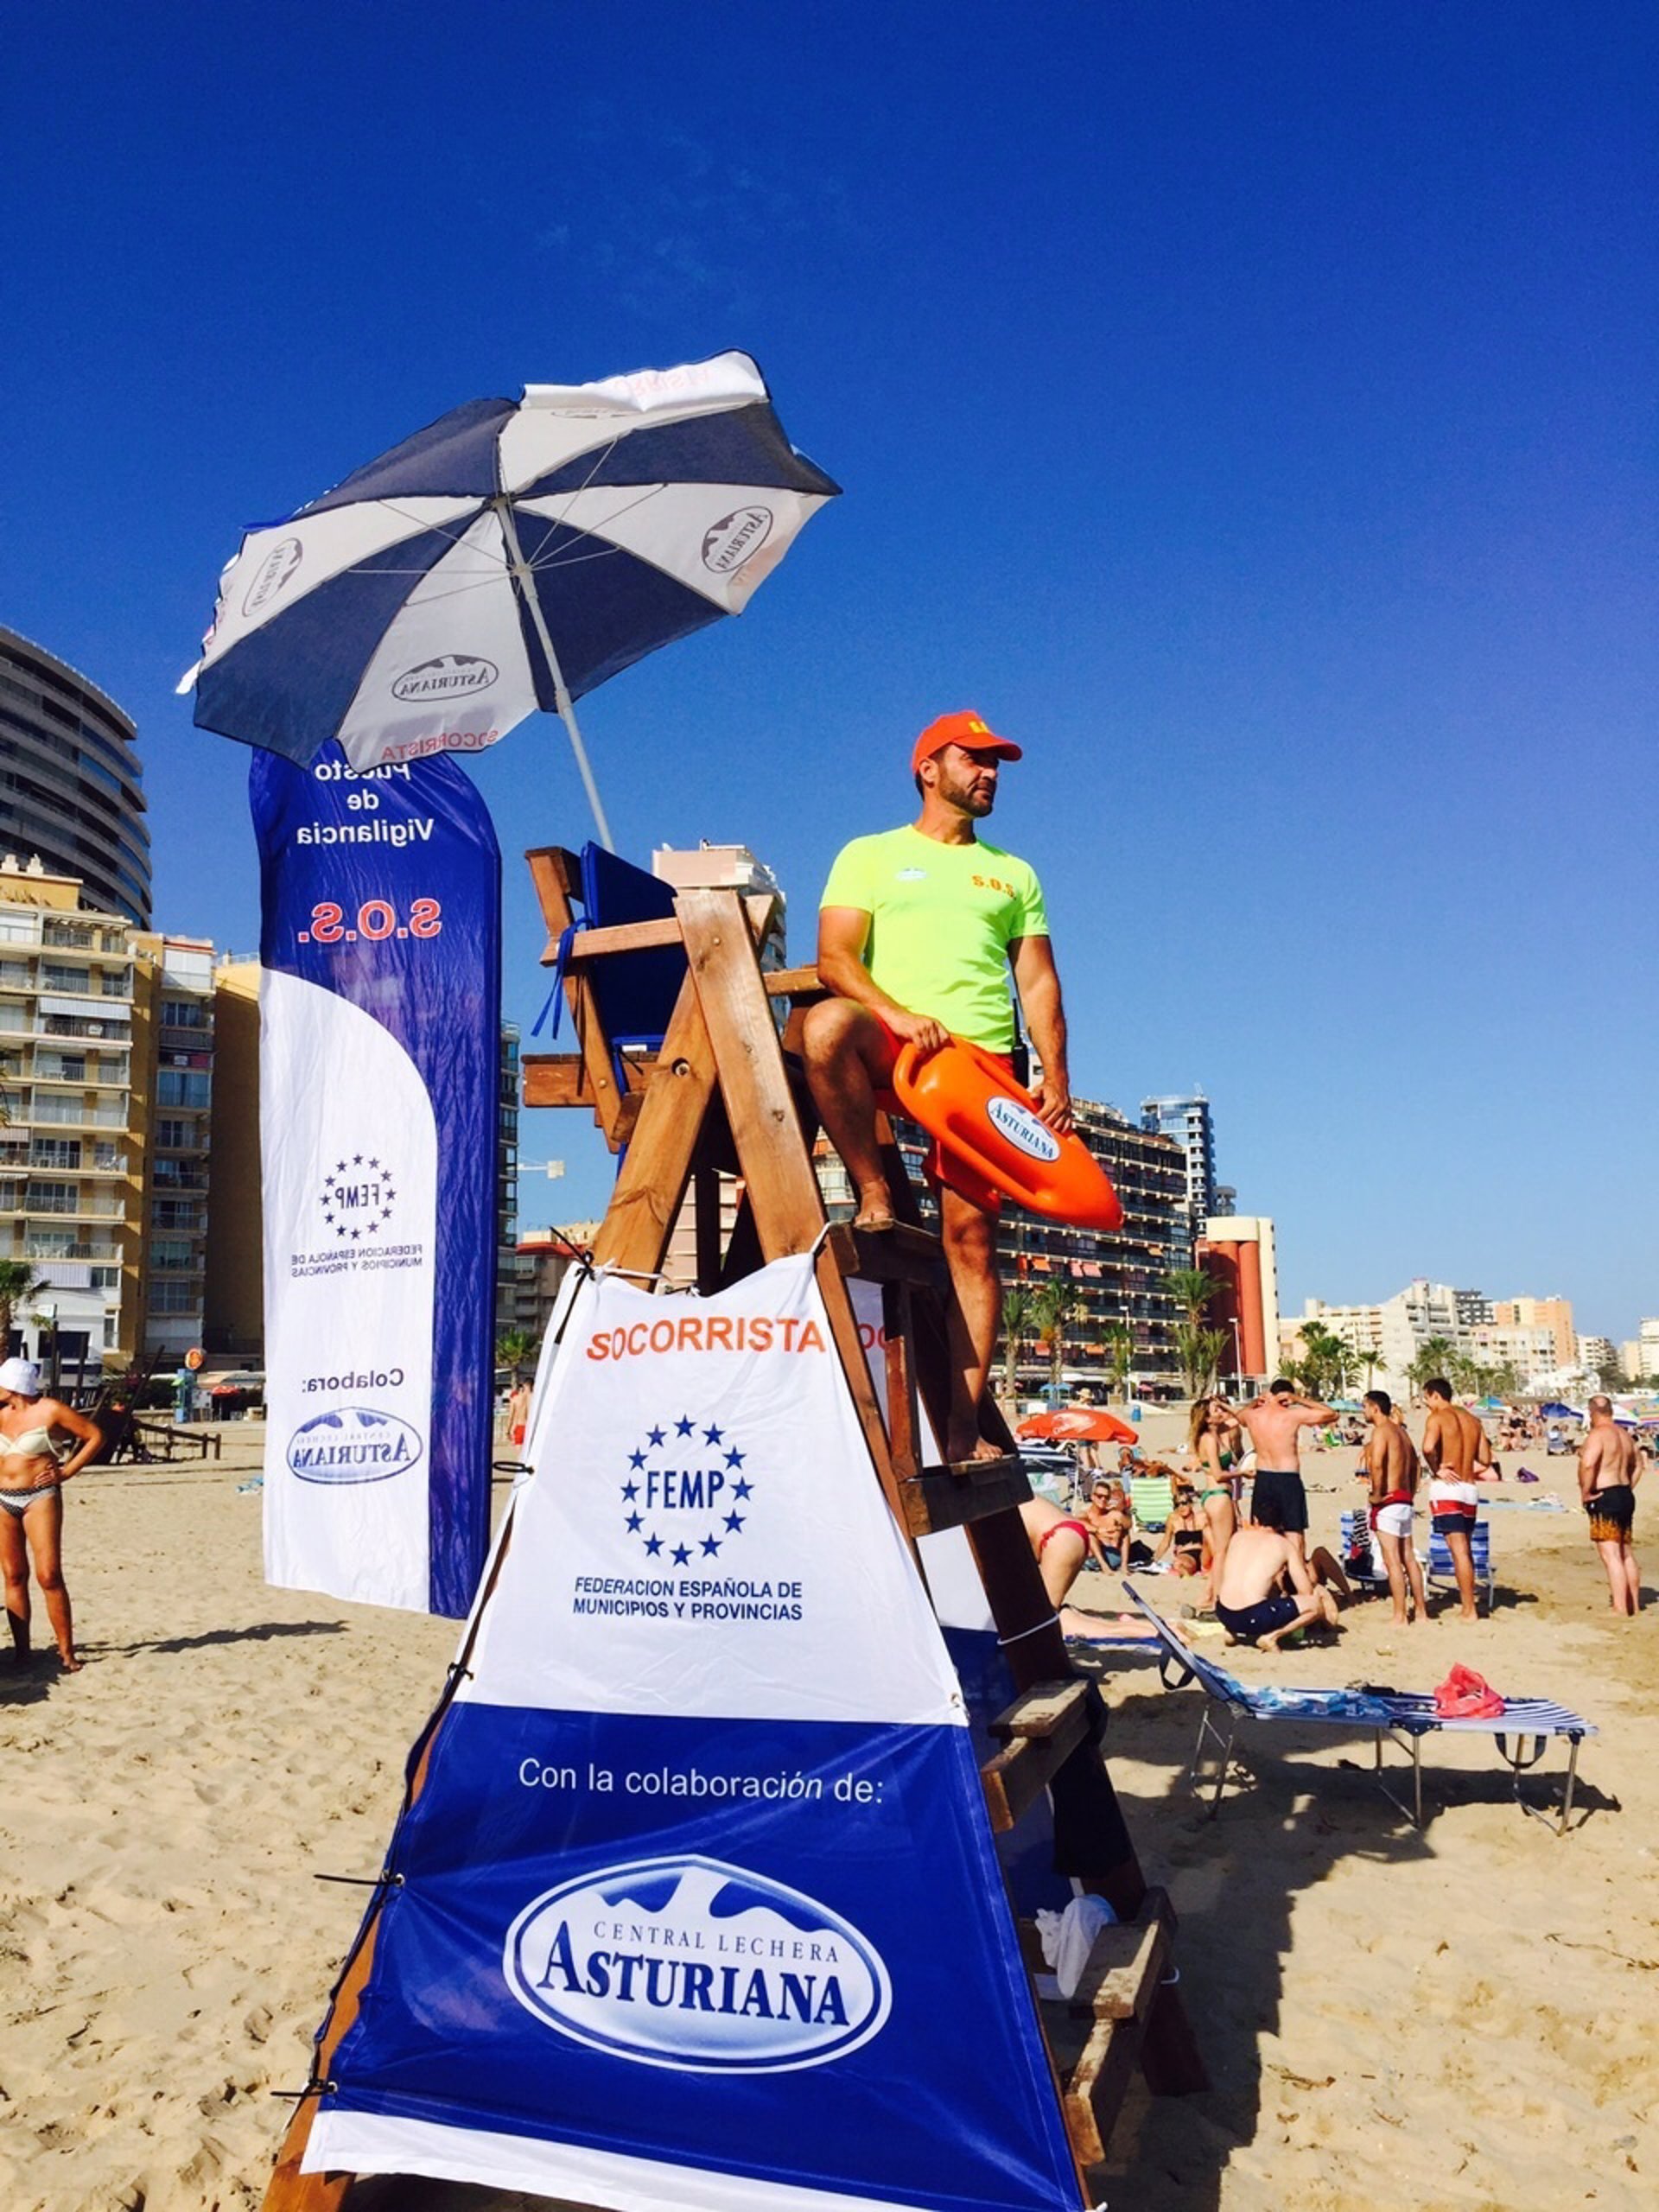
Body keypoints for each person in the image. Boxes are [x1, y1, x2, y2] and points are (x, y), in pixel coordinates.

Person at [804, 710, 1071, 1462]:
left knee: (972, 1242)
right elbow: (834, 956)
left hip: (980, 1067)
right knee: (825, 1028)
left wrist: (1055, 1072)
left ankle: (960, 1426)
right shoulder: (870, 854)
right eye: (974, 759)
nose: (989, 773)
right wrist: (894, 1013)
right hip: (897, 1042)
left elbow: (1038, 981)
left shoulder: (1014, 873)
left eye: (996, 764)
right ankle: (873, 1190)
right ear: (927, 769)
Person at [0, 1356, 103, 1672]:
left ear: (13, 1385)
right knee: (14, 1575)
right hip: (3, 1499)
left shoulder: (50, 1410)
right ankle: (22, 1654)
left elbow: (94, 1436)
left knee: (49, 1575)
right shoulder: (2, 1415)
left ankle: (66, 1653)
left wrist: (67, 1471)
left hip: (40, 1498)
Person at [1017, 1496, 1163, 1643]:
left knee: (1042, 1622)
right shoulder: (1014, 1495)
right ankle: (1151, 1627)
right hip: (1065, 1532)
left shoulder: (1005, 1503)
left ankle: (1154, 1632)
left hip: (1059, 1539)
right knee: (1047, 1615)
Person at [1211, 1497, 1338, 1651]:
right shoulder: (1284, 1545)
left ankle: (1231, 1631)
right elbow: (1306, 1591)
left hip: (1223, 1612)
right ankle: (1271, 1637)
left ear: (1256, 1519)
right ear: (1281, 1523)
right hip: (1252, 1617)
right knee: (1314, 1605)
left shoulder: (1238, 1537)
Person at [1238, 1379, 1337, 1564]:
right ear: (1287, 1397)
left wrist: (1257, 1402)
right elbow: (1331, 1414)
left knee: (1263, 1531)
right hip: (1287, 1478)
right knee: (1294, 1533)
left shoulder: (1253, 1416)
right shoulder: (1291, 1415)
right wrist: (1298, 1399)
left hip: (1263, 1477)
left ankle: (1270, 1575)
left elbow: (1239, 1417)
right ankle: (1296, 1572)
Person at [1421, 1377, 1491, 1621]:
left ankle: (1468, 1609)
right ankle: (1469, 1605)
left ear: (1435, 1395)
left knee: (1458, 1550)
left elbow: (1428, 1447)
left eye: (1427, 1398)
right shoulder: (1473, 1420)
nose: (1427, 1404)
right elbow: (1485, 1459)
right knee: (1465, 1549)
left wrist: (1436, 1469)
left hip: (1448, 1488)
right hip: (1469, 1489)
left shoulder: (1438, 1417)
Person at [1361, 1389, 1428, 1625]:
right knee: (1409, 1557)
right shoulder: (1402, 1433)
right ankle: (1421, 1612)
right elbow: (1417, 1466)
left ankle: (1400, 1615)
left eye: (1365, 1407)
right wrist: (1411, 1491)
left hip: (1388, 1501)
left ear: (1375, 1408)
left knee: (1392, 1560)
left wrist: (1377, 1495)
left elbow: (1377, 1465)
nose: (1363, 1411)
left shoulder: (1381, 1431)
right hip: (1404, 1498)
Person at [1579, 1395, 1642, 1616]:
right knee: (1626, 1551)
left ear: (1592, 1412)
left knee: (1611, 1553)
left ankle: (1620, 1607)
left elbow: (1588, 1464)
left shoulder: (1598, 1435)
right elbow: (1638, 1464)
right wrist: (1628, 1486)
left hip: (1605, 1494)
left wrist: (1586, 1492)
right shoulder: (1624, 1435)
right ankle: (1634, 1604)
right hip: (1624, 1493)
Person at [1190, 1396, 1243, 1607]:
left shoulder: (1218, 1433)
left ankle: (1209, 1595)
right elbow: (1219, 1474)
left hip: (1218, 1496)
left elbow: (1242, 1417)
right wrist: (1243, 1473)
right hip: (1218, 1494)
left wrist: (1223, 1404)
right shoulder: (1209, 1439)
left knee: (1224, 1548)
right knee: (1222, 1551)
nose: (1221, 1413)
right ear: (1207, 1418)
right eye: (1216, 1410)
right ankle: (1219, 1599)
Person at [1150, 1478, 1209, 1579]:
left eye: (1184, 1503)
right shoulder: (1173, 1519)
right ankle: (1190, 1576)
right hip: (1186, 1555)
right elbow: (1166, 1542)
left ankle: (1204, 1570)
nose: (1181, 1507)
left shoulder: (1202, 1517)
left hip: (1205, 1553)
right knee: (1179, 1563)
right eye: (1177, 1505)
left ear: (1191, 1504)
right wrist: (1154, 1559)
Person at [505, 1378, 531, 1451]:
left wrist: (508, 1431)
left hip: (520, 1426)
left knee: (520, 1454)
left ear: (524, 1385)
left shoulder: (515, 1399)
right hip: (531, 1427)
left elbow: (511, 1417)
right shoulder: (535, 1398)